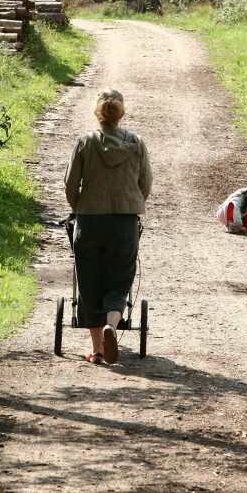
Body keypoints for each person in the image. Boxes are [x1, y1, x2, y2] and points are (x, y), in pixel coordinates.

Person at [64, 89, 152, 365]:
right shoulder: (136, 143)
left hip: (89, 220)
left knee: (88, 282)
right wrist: (130, 204)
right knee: (119, 279)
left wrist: (80, 208)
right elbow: (145, 184)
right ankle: (111, 327)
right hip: (123, 222)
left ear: (97, 112)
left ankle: (97, 351)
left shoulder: (85, 142)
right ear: (121, 113)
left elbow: (70, 185)